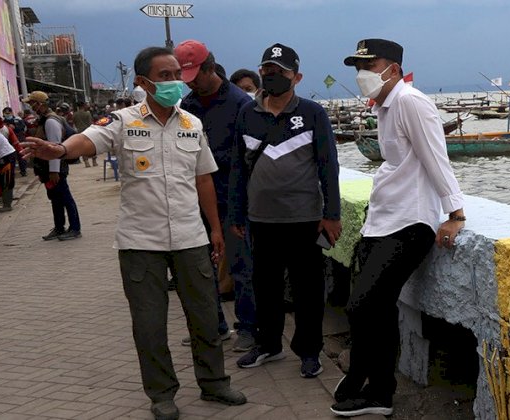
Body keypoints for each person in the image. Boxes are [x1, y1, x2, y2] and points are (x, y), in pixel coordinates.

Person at [20, 46, 247, 420]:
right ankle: (161, 394)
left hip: (192, 237)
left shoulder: (192, 123)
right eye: (165, 76)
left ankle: (215, 383)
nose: (175, 81)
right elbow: (88, 139)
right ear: (143, 82)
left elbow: (204, 177)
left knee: (205, 315)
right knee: (149, 323)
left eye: (177, 74)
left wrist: (216, 230)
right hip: (141, 241)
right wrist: (60, 148)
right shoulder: (123, 121)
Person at [331, 39, 466, 417]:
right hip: (384, 219)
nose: (362, 75)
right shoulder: (385, 106)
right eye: (358, 67)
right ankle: (374, 388)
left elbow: (435, 157)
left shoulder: (411, 101)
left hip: (410, 222)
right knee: (374, 306)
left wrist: (455, 213)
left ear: (392, 68)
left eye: (368, 66)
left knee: (363, 305)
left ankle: (371, 384)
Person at [229, 43, 342, 378]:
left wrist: (332, 215)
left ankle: (310, 351)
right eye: (267, 69)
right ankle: (268, 345)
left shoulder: (312, 113)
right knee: (265, 286)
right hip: (261, 220)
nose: (272, 76)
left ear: (297, 77)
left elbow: (328, 167)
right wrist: (236, 214)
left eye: (280, 71)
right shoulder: (247, 115)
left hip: (305, 218)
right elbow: (238, 168)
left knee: (308, 291)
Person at [175, 39, 257, 352]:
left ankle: (248, 327)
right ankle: (215, 326)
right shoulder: (188, 107)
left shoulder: (241, 104)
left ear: (211, 67)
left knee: (241, 267)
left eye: (196, 75)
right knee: (201, 268)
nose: (192, 83)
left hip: (234, 199)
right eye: (187, 78)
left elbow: (248, 157)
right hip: (196, 200)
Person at [23, 91, 81, 241]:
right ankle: (59, 227)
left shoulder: (50, 121)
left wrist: (54, 171)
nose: (31, 107)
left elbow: (55, 148)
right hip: (48, 168)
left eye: (32, 104)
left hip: (55, 168)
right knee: (55, 198)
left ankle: (75, 228)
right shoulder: (45, 120)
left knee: (65, 198)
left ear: (40, 104)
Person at [3, 106, 28, 176]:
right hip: (9, 142)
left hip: (19, 140)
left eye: (8, 113)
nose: (7, 115)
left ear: (11, 113)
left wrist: (15, 127)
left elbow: (23, 128)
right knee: (11, 157)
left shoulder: (18, 119)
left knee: (21, 156)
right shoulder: (3, 122)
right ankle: (11, 172)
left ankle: (23, 171)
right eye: (6, 113)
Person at [72, 101, 97, 167]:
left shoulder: (75, 114)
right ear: (83, 105)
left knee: (83, 148)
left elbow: (73, 123)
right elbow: (90, 123)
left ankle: (86, 162)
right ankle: (94, 161)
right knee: (92, 146)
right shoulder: (87, 113)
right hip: (88, 132)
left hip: (80, 132)